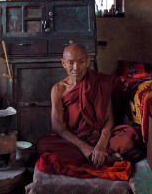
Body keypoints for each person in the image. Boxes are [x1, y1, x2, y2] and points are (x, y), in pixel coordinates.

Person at [36, 43, 144, 178]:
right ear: (63, 63)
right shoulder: (58, 89)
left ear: (87, 62)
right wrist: (83, 147)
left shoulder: (100, 82)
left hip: (100, 136)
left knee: (128, 138)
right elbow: (57, 126)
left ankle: (96, 156)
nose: (76, 68)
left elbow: (109, 119)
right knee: (42, 145)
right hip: (75, 139)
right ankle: (106, 158)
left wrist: (101, 145)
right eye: (70, 62)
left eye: (81, 61)